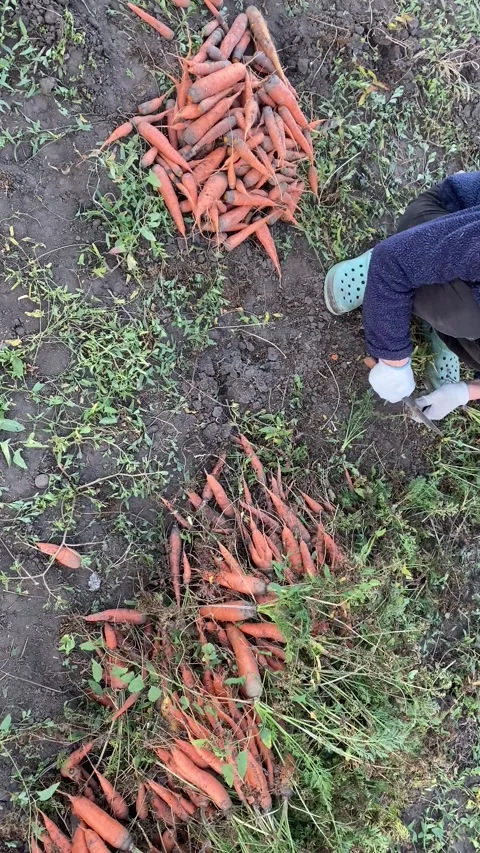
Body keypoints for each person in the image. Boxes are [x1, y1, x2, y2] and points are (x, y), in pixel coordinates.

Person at [323, 171, 480, 420]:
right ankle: (381, 277)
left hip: (464, 270)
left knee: (467, 322)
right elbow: (393, 261)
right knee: (467, 316)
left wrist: (465, 392)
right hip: (437, 224)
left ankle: (441, 326)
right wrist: (392, 358)